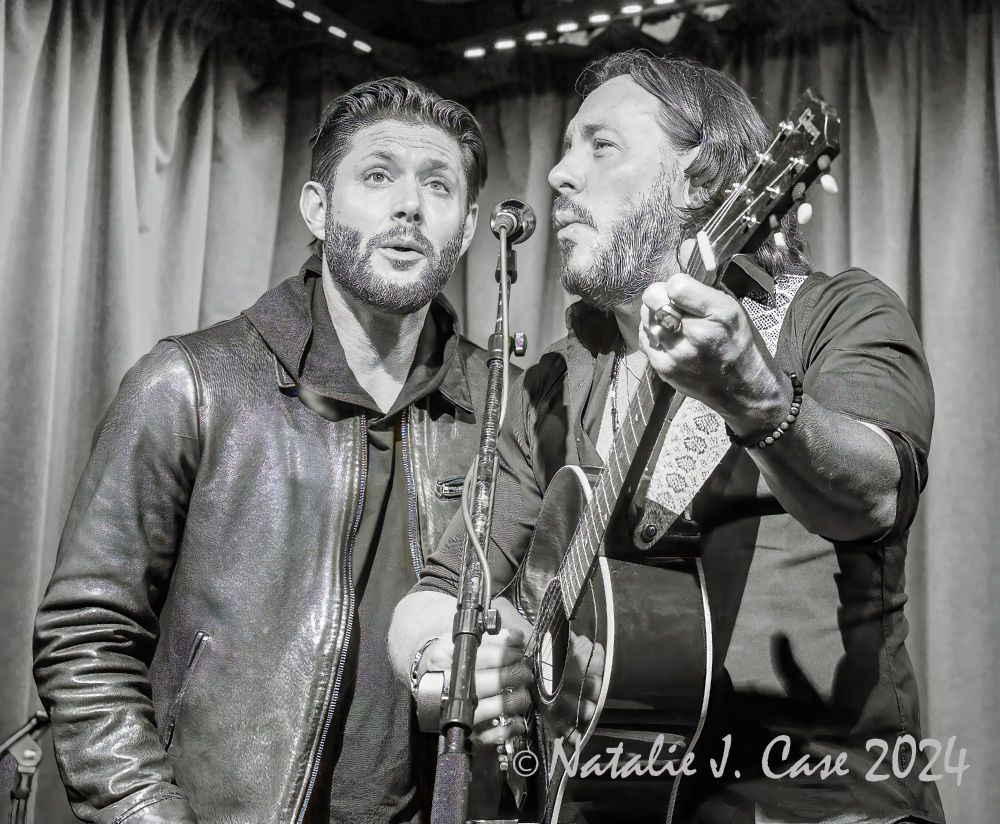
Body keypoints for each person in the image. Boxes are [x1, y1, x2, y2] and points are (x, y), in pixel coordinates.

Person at [388, 52, 945, 824]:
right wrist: (451, 664)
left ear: (703, 181)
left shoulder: (839, 314)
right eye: (565, 147)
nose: (558, 174)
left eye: (601, 145)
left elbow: (874, 497)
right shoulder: (552, 383)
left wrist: (754, 397)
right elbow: (443, 592)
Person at [33, 76, 524, 824]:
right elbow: (84, 641)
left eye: (438, 185)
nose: (409, 207)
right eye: (378, 175)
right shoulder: (190, 383)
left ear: (467, 224)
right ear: (318, 209)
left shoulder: (507, 409)